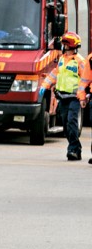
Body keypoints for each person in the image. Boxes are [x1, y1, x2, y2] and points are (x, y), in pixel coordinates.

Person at [39, 32, 89, 161]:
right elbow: (56, 74)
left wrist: (84, 96)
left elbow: (86, 79)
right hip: (62, 97)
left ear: (68, 45)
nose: (62, 46)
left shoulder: (80, 61)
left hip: (74, 98)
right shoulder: (62, 59)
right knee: (66, 127)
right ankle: (75, 147)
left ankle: (73, 150)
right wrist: (45, 85)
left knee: (72, 122)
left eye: (64, 44)